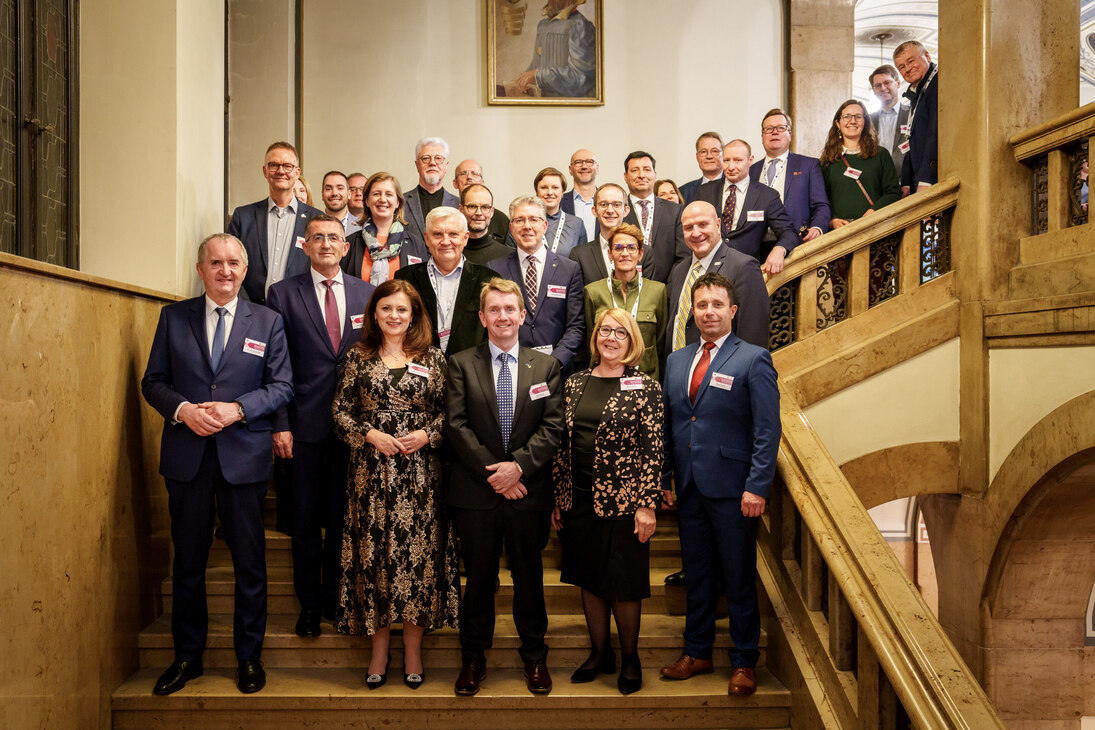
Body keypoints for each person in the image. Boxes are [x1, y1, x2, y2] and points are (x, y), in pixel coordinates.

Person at [141, 233, 294, 696]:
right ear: (199, 268)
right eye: (216, 263)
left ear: (245, 270)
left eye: (233, 263)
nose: (225, 271)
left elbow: (282, 385)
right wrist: (184, 410)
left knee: (250, 564)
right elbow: (153, 382)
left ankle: (249, 657)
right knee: (188, 563)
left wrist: (239, 409)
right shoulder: (173, 318)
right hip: (187, 459)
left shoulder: (267, 321)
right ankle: (188, 657)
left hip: (243, 458)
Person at [331, 278, 460, 690]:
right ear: (374, 313)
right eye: (386, 308)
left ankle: (414, 650)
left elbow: (449, 415)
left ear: (415, 315)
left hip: (422, 477)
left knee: (416, 563)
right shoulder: (358, 357)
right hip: (370, 474)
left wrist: (426, 435)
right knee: (375, 559)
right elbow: (339, 412)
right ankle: (379, 651)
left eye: (402, 309)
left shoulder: (434, 359)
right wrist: (370, 435)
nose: (394, 316)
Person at [659, 272, 780, 697]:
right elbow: (672, 424)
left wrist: (757, 486)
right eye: (701, 304)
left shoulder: (754, 359)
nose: (708, 311)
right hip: (689, 486)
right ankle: (698, 651)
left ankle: (744, 660)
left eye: (716, 304)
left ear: (733, 310)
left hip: (734, 489)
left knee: (738, 577)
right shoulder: (676, 361)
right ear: (692, 311)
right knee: (697, 575)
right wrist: (665, 478)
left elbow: (767, 430)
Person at [446, 278, 564, 697]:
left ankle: (534, 656)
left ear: (522, 314)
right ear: (482, 317)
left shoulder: (546, 366)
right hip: (476, 495)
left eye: (509, 309)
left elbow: (553, 428)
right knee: (478, 580)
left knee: (529, 579)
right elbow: (456, 426)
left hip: (527, 493)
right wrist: (496, 475)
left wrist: (518, 468)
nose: (502, 317)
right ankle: (473, 659)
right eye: (494, 310)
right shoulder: (460, 363)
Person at [266, 214, 377, 639]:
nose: (327, 243)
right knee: (306, 521)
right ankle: (308, 604)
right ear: (305, 246)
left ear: (346, 247)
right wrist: (280, 424)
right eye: (318, 238)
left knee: (343, 519)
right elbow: (275, 365)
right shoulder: (282, 294)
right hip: (304, 427)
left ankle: (334, 596)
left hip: (356, 430)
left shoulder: (368, 294)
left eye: (334, 237)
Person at [551, 307, 663, 695]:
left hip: (625, 504)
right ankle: (600, 653)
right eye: (605, 331)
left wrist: (647, 504)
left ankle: (630, 659)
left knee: (624, 584)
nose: (611, 338)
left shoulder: (645, 387)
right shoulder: (575, 383)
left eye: (621, 333)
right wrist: (557, 496)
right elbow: (562, 446)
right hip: (577, 500)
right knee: (589, 579)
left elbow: (652, 449)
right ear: (595, 337)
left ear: (632, 342)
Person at [489, 195, 585, 370]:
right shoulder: (495, 269)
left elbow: (576, 326)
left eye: (534, 219)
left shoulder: (569, 270)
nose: (527, 226)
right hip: (509, 367)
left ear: (545, 225)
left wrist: (554, 362)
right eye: (519, 220)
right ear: (511, 228)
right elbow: (491, 322)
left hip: (556, 370)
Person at [227, 141, 322, 306]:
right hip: (251, 312)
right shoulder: (243, 216)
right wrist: (245, 306)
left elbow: (323, 270)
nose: (280, 171)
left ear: (297, 172)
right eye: (273, 165)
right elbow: (230, 264)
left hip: (299, 313)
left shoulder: (317, 219)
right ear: (265, 171)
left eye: (287, 166)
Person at [668, 201, 770, 352]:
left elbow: (753, 334)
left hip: (721, 371)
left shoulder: (744, 267)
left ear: (717, 225)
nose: (695, 233)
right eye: (688, 227)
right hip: (678, 369)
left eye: (703, 225)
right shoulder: (679, 270)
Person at [395, 206, 495, 358]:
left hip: (472, 372)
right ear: (427, 238)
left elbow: (493, 332)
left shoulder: (488, 280)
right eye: (437, 234)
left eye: (453, 234)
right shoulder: (405, 278)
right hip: (418, 370)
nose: (446, 241)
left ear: (465, 238)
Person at [695, 140, 799, 275]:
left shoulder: (766, 196)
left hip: (746, 271)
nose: (731, 166)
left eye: (737, 160)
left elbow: (788, 232)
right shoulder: (705, 191)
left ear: (750, 160)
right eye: (726, 160)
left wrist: (779, 249)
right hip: (708, 270)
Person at [583, 223, 667, 380]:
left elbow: (661, 344)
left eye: (631, 248)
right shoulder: (593, 292)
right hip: (605, 379)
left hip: (645, 379)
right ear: (610, 253)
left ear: (640, 254)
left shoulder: (657, 291)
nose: (625, 253)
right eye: (619, 248)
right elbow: (591, 343)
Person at [749, 109, 829, 242]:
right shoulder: (751, 171)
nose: (774, 132)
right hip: (757, 247)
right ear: (762, 136)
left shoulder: (809, 165)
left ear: (790, 134)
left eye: (781, 128)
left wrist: (817, 228)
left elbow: (821, 205)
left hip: (798, 242)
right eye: (769, 129)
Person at [819, 99, 902, 228]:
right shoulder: (828, 160)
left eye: (858, 116)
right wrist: (832, 220)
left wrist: (874, 211)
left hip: (875, 228)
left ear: (865, 122)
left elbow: (893, 192)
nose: (853, 121)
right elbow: (822, 200)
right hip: (840, 233)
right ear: (837, 123)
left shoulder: (881, 154)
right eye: (847, 116)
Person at [341, 172, 428, 285]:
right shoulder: (350, 243)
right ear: (367, 201)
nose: (382, 199)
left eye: (389, 194)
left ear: (397, 202)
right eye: (376, 194)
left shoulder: (416, 244)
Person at [621, 150, 687, 283]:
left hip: (666, 292)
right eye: (635, 170)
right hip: (625, 291)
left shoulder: (675, 211)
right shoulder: (617, 211)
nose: (641, 175)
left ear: (654, 174)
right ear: (625, 176)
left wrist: (667, 290)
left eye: (646, 169)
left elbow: (683, 257)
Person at [512, 0, 596, 98]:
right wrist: (521, 81)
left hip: (569, 107)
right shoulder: (542, 25)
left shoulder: (580, 26)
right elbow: (535, 66)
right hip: (543, 103)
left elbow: (581, 78)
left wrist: (537, 75)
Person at [892, 40, 938, 195]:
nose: (907, 69)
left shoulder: (938, 83)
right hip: (918, 179)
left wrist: (927, 179)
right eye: (902, 67)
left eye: (911, 61)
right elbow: (912, 140)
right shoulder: (917, 92)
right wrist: (906, 181)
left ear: (927, 56)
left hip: (932, 179)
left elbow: (935, 133)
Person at [403, 137, 460, 249]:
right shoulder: (400, 202)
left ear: (446, 165)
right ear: (417, 165)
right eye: (426, 158)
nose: (432, 163)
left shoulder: (459, 205)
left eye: (438, 158)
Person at [524, 166, 586, 258]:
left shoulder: (576, 224)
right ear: (536, 191)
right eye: (544, 187)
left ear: (562, 192)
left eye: (555, 187)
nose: (549, 192)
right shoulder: (522, 222)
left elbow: (582, 262)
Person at [452, 159, 511, 243]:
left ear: (482, 183)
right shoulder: (447, 215)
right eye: (463, 173)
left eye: (475, 173)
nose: (469, 177)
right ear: (455, 183)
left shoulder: (501, 220)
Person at [868, 65, 909, 177]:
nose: (883, 88)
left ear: (898, 83)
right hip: (876, 183)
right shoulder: (867, 121)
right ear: (874, 90)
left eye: (887, 83)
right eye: (878, 85)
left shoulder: (912, 115)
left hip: (906, 184)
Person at [460, 183, 513, 265]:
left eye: (485, 207)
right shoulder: (450, 252)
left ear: (492, 212)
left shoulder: (509, 256)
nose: (478, 213)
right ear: (461, 209)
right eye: (472, 206)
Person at [562, 149, 599, 240]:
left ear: (597, 168)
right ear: (570, 170)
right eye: (578, 162)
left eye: (589, 162)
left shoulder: (610, 202)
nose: (584, 166)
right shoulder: (559, 203)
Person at [678, 132, 724, 204]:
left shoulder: (734, 186)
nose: (709, 156)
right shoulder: (683, 192)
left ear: (724, 155)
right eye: (703, 152)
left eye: (715, 151)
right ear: (697, 157)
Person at [320, 170, 361, 236]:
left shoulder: (362, 226)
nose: (334, 193)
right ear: (322, 195)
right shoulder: (310, 223)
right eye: (328, 189)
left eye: (340, 188)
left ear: (349, 194)